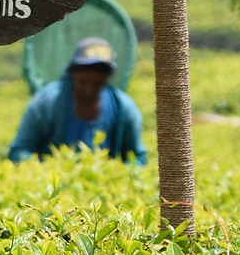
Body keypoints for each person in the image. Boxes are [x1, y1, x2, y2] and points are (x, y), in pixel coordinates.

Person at [8, 37, 149, 165]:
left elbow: (138, 156)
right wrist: (43, 173)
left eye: (97, 84)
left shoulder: (124, 108)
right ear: (72, 74)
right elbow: (19, 150)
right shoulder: (45, 104)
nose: (89, 90)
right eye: (83, 82)